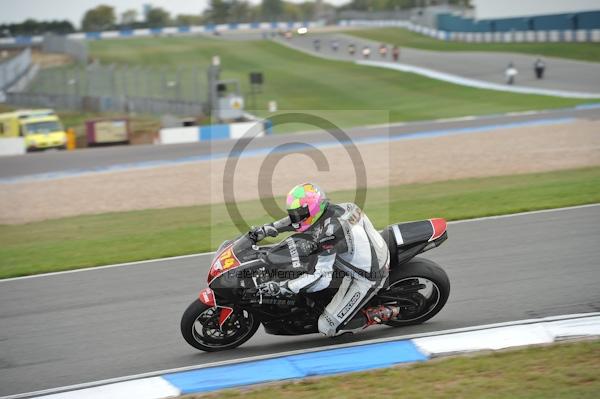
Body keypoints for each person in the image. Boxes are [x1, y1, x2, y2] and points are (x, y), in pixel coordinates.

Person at [249, 183, 396, 337]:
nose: (295, 217)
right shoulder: (330, 210)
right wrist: (267, 229)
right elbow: (296, 222)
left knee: (327, 326)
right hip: (365, 250)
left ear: (313, 210)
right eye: (294, 213)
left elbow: (322, 278)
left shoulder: (330, 234)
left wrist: (285, 287)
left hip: (368, 275)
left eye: (299, 213)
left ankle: (380, 313)